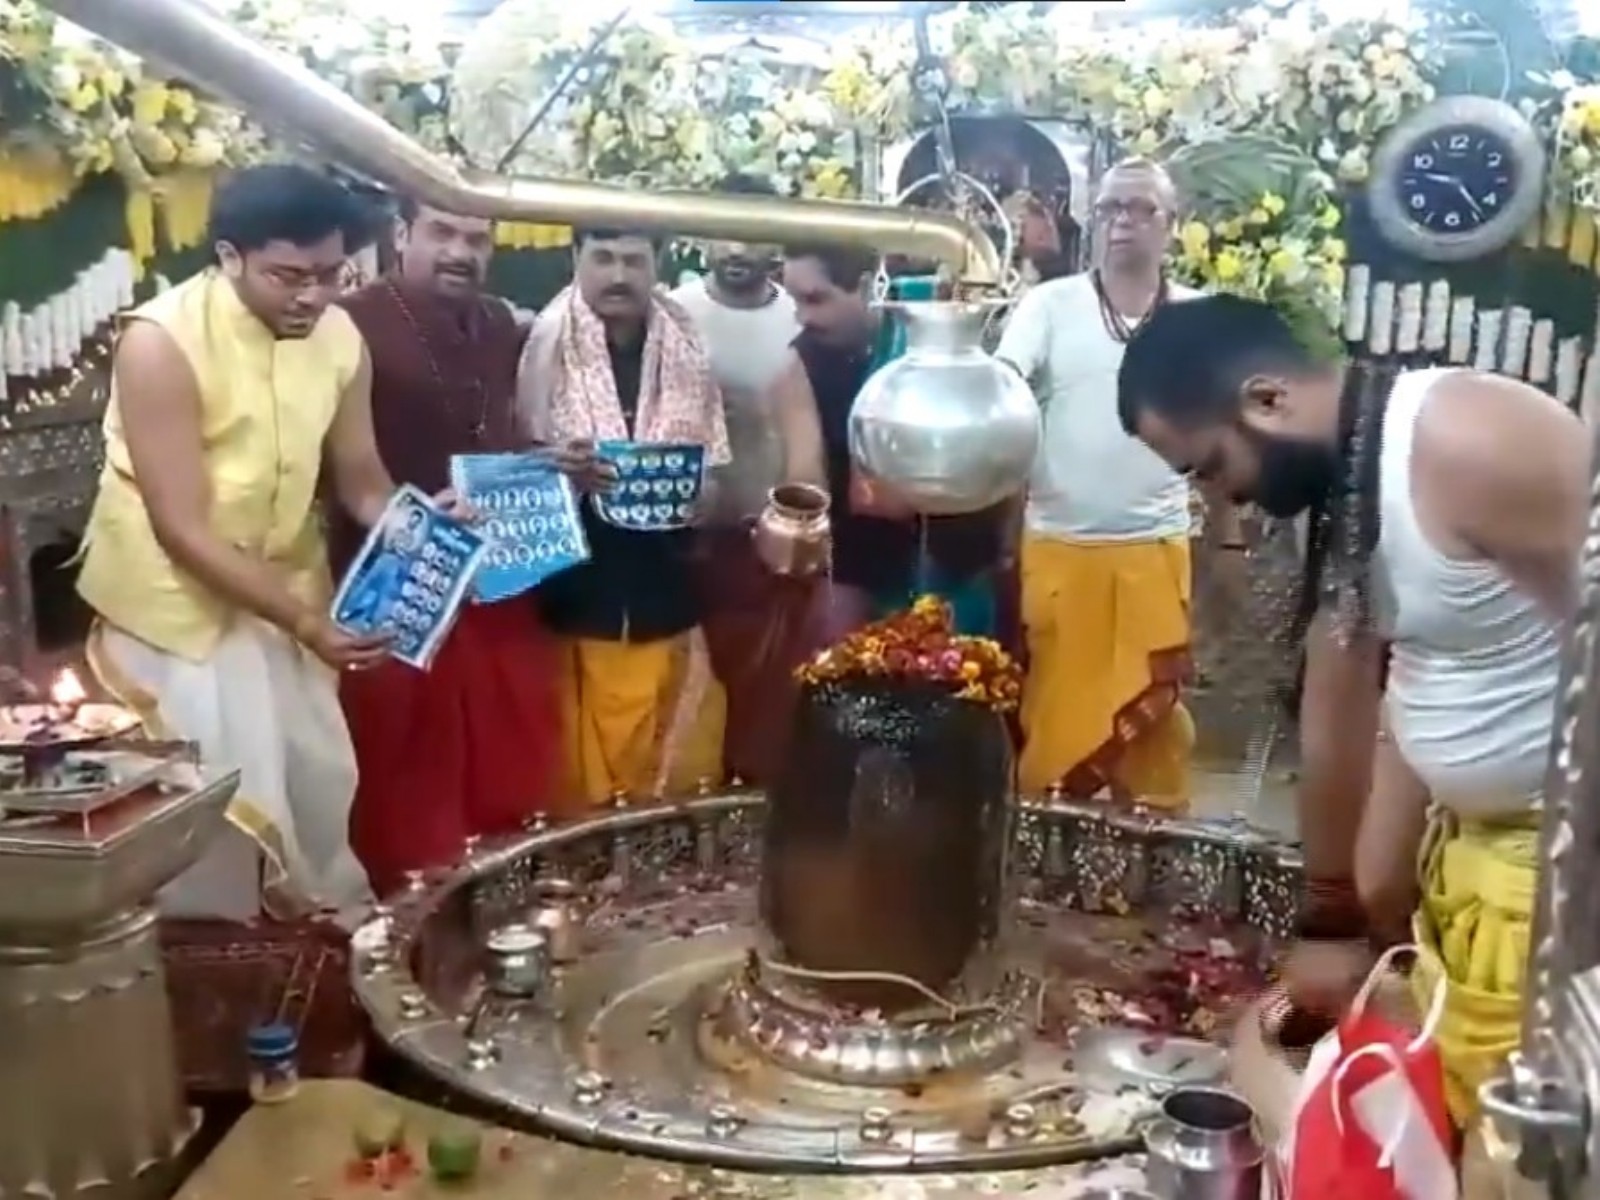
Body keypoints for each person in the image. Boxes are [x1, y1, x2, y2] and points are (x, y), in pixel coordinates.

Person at [1117, 292, 1584, 1128]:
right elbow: (1377, 689)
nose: (1226, 502)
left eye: (1212, 468)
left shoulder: (1468, 441)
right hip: (1475, 861)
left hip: (1554, 872)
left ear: (1267, 400)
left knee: (1521, 1150)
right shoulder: (1350, 478)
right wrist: (1350, 906)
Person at [77, 163, 396, 920]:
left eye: (329, 273)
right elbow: (182, 528)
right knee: (214, 802)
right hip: (176, 605)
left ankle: (305, 962)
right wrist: (307, 624)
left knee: (313, 779)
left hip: (285, 590)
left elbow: (361, 477)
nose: (312, 295)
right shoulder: (161, 341)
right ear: (228, 257)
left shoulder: (342, 335)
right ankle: (211, 974)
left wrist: (422, 526)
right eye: (288, 276)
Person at [333, 199, 604, 894]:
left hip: (495, 580)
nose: (461, 252)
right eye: (442, 233)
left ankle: (498, 904)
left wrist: (552, 463)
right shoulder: (348, 324)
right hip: (398, 583)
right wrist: (414, 517)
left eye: (477, 239)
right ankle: (409, 924)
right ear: (400, 233)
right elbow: (336, 467)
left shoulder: (501, 324)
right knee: (407, 774)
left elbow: (499, 438)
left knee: (507, 764)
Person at [996, 158, 1240, 806]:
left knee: (1153, 718)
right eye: (1109, 209)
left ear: (1173, 225)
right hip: (1059, 545)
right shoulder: (1047, 307)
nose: (1123, 222)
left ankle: (1149, 858)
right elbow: (1003, 399)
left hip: (1155, 549)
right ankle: (1055, 851)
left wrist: (1228, 540)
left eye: (1141, 209)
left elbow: (1222, 440)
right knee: (1058, 712)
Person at [518, 227, 730, 805]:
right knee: (572, 760)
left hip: (668, 582)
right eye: (603, 258)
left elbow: (709, 466)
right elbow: (506, 465)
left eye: (634, 260)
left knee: (674, 750)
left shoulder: (687, 344)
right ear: (575, 259)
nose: (618, 275)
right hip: (573, 586)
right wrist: (553, 468)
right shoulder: (538, 344)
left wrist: (702, 497)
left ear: (657, 264)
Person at [773, 244, 1016, 646]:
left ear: (869, 286)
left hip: (959, 560)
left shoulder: (934, 334)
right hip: (858, 566)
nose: (803, 317)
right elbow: (806, 474)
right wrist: (803, 524)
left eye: (816, 299)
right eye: (795, 300)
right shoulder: (800, 366)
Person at [669, 175, 803, 784]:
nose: (738, 249)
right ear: (702, 234)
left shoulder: (799, 314)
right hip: (693, 543)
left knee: (770, 699)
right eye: (726, 230)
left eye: (753, 232)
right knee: (695, 699)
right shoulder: (676, 313)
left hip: (779, 542)